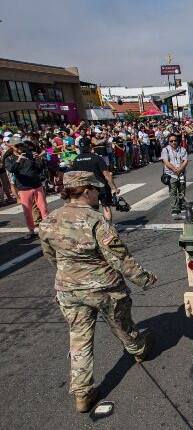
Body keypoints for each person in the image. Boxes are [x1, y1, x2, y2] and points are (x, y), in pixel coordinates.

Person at [39, 171, 157, 413]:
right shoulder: (96, 221)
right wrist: (144, 279)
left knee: (79, 340)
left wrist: (71, 276)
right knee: (121, 325)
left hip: (69, 290)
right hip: (105, 288)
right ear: (85, 192)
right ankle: (138, 349)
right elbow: (120, 258)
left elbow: (51, 256)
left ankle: (82, 393)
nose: (98, 193)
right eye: (95, 189)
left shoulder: (49, 220)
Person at [4, 137, 49, 239]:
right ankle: (31, 230)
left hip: (36, 185)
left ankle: (47, 228)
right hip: (23, 188)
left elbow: (39, 168)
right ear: (12, 146)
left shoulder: (29, 154)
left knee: (43, 208)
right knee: (27, 211)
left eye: (21, 145)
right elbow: (11, 169)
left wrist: (38, 159)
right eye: (17, 146)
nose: (20, 147)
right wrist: (18, 161)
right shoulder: (9, 158)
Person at [72, 137, 120, 222]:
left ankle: (95, 229)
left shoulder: (76, 160)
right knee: (106, 207)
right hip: (101, 186)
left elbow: (75, 176)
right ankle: (108, 228)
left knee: (93, 209)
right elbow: (106, 174)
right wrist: (114, 188)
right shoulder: (96, 158)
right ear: (90, 146)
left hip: (87, 188)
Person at [161, 133, 189, 218]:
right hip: (171, 174)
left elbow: (186, 160)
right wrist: (174, 169)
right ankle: (174, 208)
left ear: (178, 141)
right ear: (168, 142)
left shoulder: (182, 149)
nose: (173, 142)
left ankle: (181, 205)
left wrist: (180, 169)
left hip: (181, 173)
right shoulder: (165, 150)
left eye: (175, 140)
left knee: (182, 189)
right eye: (171, 141)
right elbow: (166, 161)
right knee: (173, 191)